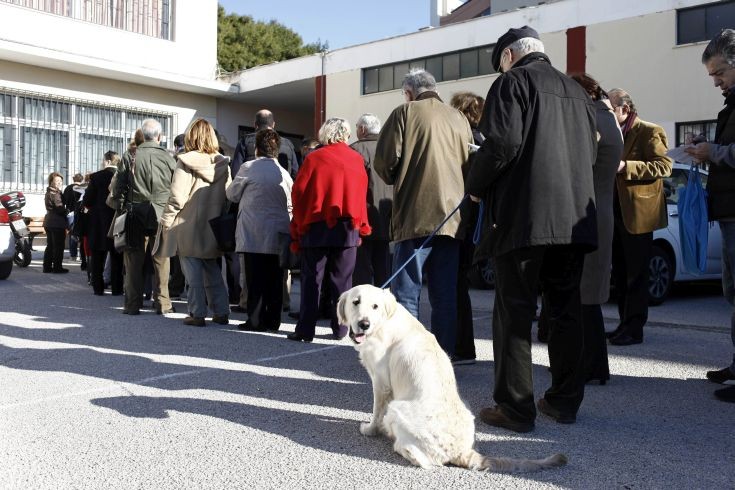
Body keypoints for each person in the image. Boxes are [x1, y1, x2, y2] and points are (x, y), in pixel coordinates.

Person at [466, 26, 598, 432]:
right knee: (565, 309)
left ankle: (516, 408)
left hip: (525, 215)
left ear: (508, 56)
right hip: (574, 217)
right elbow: (590, 150)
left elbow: (501, 144)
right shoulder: (577, 91)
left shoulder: (511, 82)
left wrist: (474, 184)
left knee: (514, 312)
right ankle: (564, 400)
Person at [374, 68, 471, 358]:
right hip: (452, 218)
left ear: (408, 92)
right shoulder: (459, 117)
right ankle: (443, 358)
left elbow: (385, 162)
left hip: (415, 216)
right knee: (445, 295)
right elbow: (469, 162)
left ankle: (409, 360)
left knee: (406, 294)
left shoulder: (405, 113)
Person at [684, 28, 735, 403]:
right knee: (732, 293)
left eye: (719, 73)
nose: (715, 82)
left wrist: (712, 152)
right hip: (729, 211)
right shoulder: (730, 105)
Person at [288, 118, 370, 342]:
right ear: (345, 134)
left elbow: (299, 192)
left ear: (325, 134)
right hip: (347, 227)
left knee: (312, 280)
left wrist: (299, 221)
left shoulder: (314, 158)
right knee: (343, 282)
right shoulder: (356, 159)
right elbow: (362, 195)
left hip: (316, 226)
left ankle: (305, 330)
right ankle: (342, 329)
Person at [570, 74, 625, 384]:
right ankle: (596, 366)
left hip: (588, 212)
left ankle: (590, 366)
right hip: (601, 210)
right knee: (590, 293)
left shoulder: (593, 119)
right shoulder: (608, 118)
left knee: (585, 295)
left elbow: (581, 163)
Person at [606, 88, 673, 346]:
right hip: (614, 212)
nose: (608, 116)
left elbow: (664, 166)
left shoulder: (650, 131)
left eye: (611, 110)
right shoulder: (611, 133)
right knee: (621, 273)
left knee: (637, 274)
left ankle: (635, 328)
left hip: (639, 214)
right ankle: (624, 324)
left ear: (624, 108)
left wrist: (626, 167)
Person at [159, 119, 231, 327]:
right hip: (213, 224)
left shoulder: (185, 161)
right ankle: (221, 311)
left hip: (187, 224)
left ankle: (197, 313)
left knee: (192, 273)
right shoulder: (222, 163)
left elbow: (177, 197)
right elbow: (229, 194)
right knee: (212, 270)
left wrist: (166, 221)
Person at [226, 128, 293, 332]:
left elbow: (232, 194)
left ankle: (254, 320)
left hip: (253, 230)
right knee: (274, 278)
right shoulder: (283, 172)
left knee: (254, 278)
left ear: (257, 148)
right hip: (278, 231)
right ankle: (273, 320)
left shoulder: (248, 167)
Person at [112, 119, 176, 316]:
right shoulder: (169, 157)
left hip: (135, 213)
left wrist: (121, 206)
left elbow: (117, 188)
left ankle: (132, 304)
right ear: (159, 136)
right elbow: (176, 186)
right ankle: (163, 303)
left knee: (133, 260)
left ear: (142, 134)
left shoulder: (130, 154)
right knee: (162, 260)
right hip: (162, 213)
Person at [449, 91, 485, 365]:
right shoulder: (484, 136)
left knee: (456, 284)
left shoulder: (468, 139)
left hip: (463, 218)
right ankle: (463, 346)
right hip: (475, 219)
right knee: (460, 283)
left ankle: (461, 347)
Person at [351, 113, 393, 288]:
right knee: (384, 268)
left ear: (362, 129)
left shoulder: (354, 150)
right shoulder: (390, 148)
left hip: (363, 218)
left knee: (362, 270)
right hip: (388, 215)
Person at [83, 151, 124, 296]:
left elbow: (87, 200)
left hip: (98, 222)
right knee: (116, 257)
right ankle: (117, 288)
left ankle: (98, 288)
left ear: (107, 161)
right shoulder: (122, 176)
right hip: (115, 220)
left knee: (97, 257)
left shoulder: (96, 177)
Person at [232, 109, 299, 180]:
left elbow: (235, 171)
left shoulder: (245, 141)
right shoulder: (288, 144)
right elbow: (295, 172)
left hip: (253, 187)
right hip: (281, 187)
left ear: (255, 124)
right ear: (273, 124)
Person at [43, 172, 69, 274]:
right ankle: (57, 267)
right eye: (56, 181)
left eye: (60, 181)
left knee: (50, 246)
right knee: (58, 246)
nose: (59, 183)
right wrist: (67, 212)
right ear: (51, 182)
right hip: (57, 222)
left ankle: (47, 267)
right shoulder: (55, 193)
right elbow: (60, 209)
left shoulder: (48, 192)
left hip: (49, 222)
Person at [62, 173, 83, 262]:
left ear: (73, 179)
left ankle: (73, 255)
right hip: (79, 213)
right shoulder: (82, 188)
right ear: (81, 180)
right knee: (81, 234)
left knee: (72, 234)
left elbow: (64, 201)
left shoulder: (67, 188)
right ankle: (82, 256)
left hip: (69, 213)